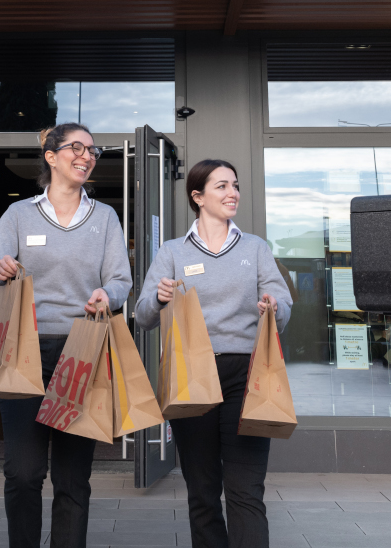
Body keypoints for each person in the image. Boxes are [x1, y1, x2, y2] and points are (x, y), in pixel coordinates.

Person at [0, 123, 132, 548]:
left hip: (81, 351)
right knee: (23, 472)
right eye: (76, 147)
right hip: (22, 352)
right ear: (51, 157)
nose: (86, 156)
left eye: (93, 150)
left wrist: (108, 294)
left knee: (72, 477)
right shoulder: (19, 214)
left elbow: (121, 279)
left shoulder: (104, 217)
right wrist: (2, 270)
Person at [136, 159, 292, 548]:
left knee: (245, 489)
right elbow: (142, 316)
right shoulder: (172, 252)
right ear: (197, 196)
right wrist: (158, 296)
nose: (232, 193)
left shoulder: (255, 248)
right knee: (202, 491)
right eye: (221, 186)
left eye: (235, 185)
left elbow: (284, 302)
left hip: (247, 375)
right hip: (193, 377)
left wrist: (274, 307)